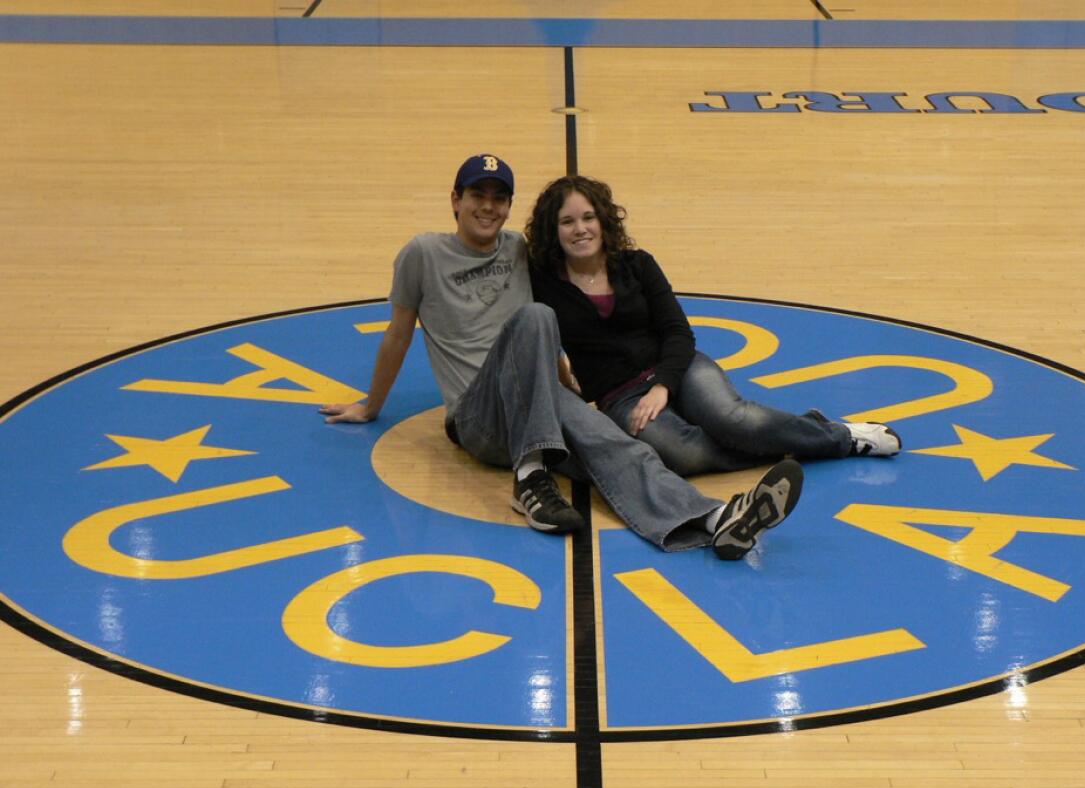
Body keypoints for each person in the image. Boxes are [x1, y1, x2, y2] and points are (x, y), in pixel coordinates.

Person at [319, 154, 803, 560]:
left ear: (508, 207)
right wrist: (370, 405)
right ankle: (529, 478)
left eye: (498, 198)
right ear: (455, 201)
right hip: (479, 416)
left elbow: (574, 292)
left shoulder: (518, 250)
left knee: (622, 446)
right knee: (535, 317)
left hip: (541, 400)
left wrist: (563, 377)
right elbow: (399, 335)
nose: (487, 207)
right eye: (476, 196)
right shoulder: (422, 253)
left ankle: (714, 520)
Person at [524, 175, 902, 478]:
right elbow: (540, 336)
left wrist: (662, 387)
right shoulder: (544, 283)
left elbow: (678, 332)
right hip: (620, 398)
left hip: (676, 367)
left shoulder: (637, 265)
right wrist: (567, 384)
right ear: (552, 231)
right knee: (686, 455)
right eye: (567, 221)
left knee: (733, 419)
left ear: (604, 221)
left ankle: (841, 437)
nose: (580, 229)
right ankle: (800, 436)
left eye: (588, 217)